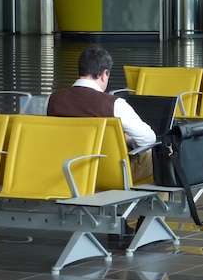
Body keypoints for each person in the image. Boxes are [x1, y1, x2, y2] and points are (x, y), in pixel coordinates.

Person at [47, 45, 156, 183]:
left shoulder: (52, 100)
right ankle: (163, 204)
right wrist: (127, 140)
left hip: (67, 173)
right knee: (162, 158)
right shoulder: (115, 105)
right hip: (110, 174)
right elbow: (148, 140)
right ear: (104, 74)